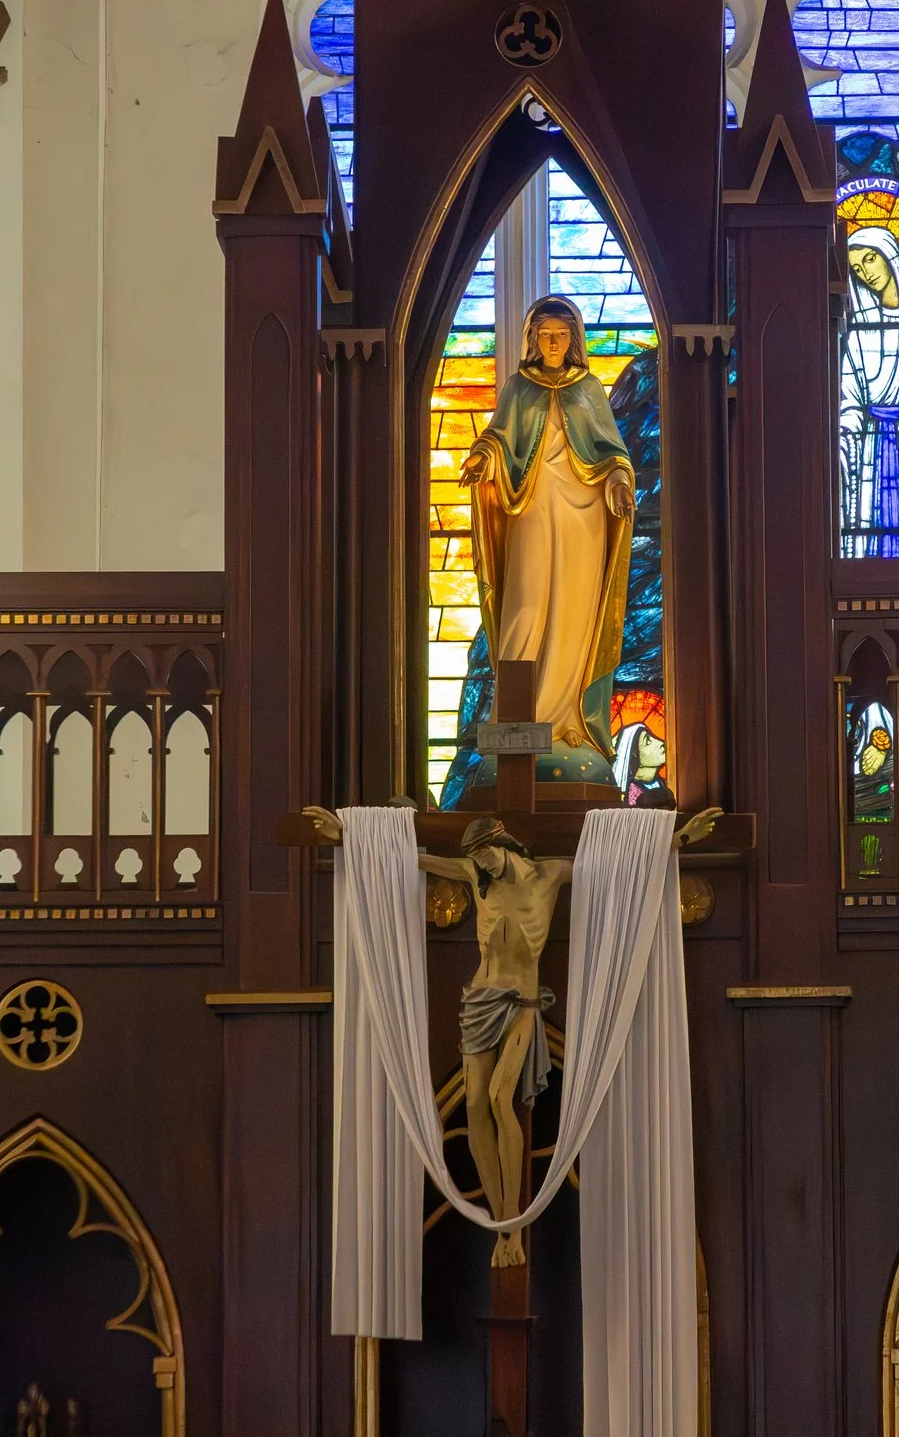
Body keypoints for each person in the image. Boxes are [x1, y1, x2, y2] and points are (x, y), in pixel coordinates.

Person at [301, 803, 722, 1265]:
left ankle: (512, 1223)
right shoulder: (474, 876)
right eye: (476, 859)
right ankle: (503, 1224)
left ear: (504, 844)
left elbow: (616, 865)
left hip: (522, 1005)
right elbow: (409, 858)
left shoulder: (548, 875)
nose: (481, 865)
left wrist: (679, 837)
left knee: (503, 1099)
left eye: (486, 855)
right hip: (479, 1000)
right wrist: (345, 836)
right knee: (476, 1102)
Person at [458, 296, 636, 776]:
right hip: (531, 503)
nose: (553, 343)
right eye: (545, 335)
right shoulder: (519, 386)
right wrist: (483, 458)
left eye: (561, 335)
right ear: (533, 339)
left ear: (573, 340)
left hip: (584, 513)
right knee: (526, 603)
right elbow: (498, 436)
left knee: (575, 610)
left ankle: (568, 718)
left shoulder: (588, 388)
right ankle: (517, 716)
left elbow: (611, 449)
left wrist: (619, 480)